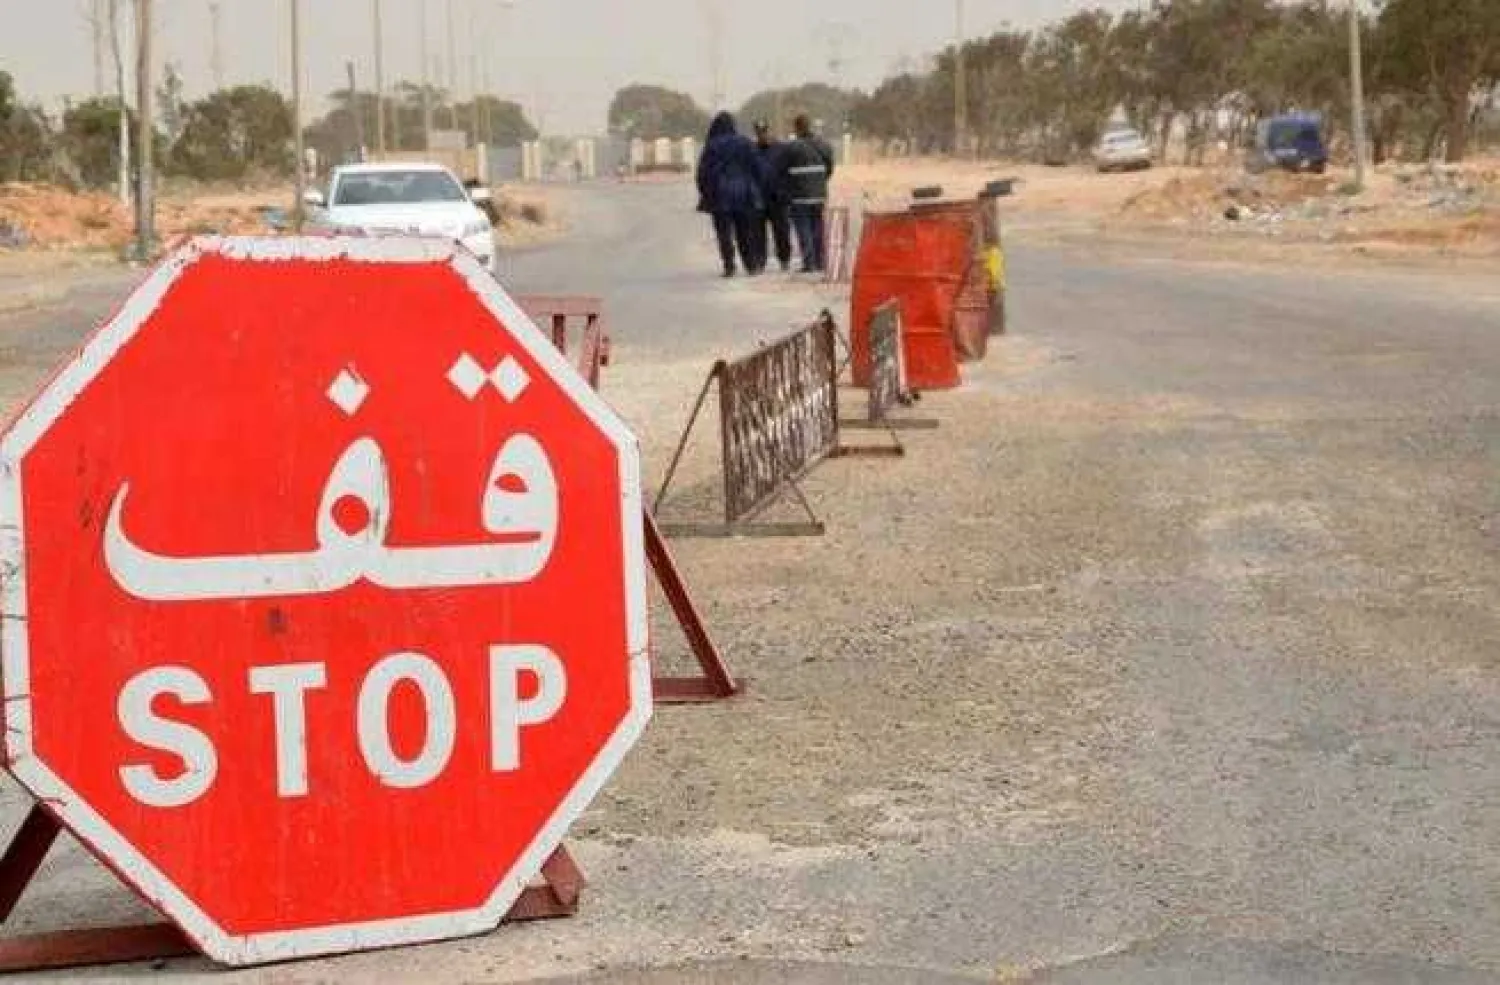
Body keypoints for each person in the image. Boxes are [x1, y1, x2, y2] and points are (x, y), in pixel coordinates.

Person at [696, 112, 765, 277]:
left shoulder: (712, 146)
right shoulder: (745, 143)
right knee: (745, 230)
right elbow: (758, 168)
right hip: (744, 193)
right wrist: (756, 188)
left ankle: (729, 266)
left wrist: (705, 193)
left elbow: (702, 173)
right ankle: (751, 265)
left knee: (724, 233)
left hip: (720, 194)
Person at [779, 114, 835, 273]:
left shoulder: (791, 148)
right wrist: (819, 182)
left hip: (799, 195)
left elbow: (782, 171)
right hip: (819, 193)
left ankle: (809, 263)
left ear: (796, 128)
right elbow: (829, 169)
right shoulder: (824, 145)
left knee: (803, 228)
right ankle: (820, 261)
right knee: (818, 227)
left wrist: (787, 189)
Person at [752, 120, 793, 273]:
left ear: (768, 131)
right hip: (758, 198)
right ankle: (759, 261)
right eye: (759, 131)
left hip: (778, 198)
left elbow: (789, 172)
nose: (762, 134)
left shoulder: (781, 149)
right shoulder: (752, 150)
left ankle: (784, 260)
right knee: (757, 233)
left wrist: (786, 191)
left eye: (764, 131)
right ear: (756, 132)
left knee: (781, 231)